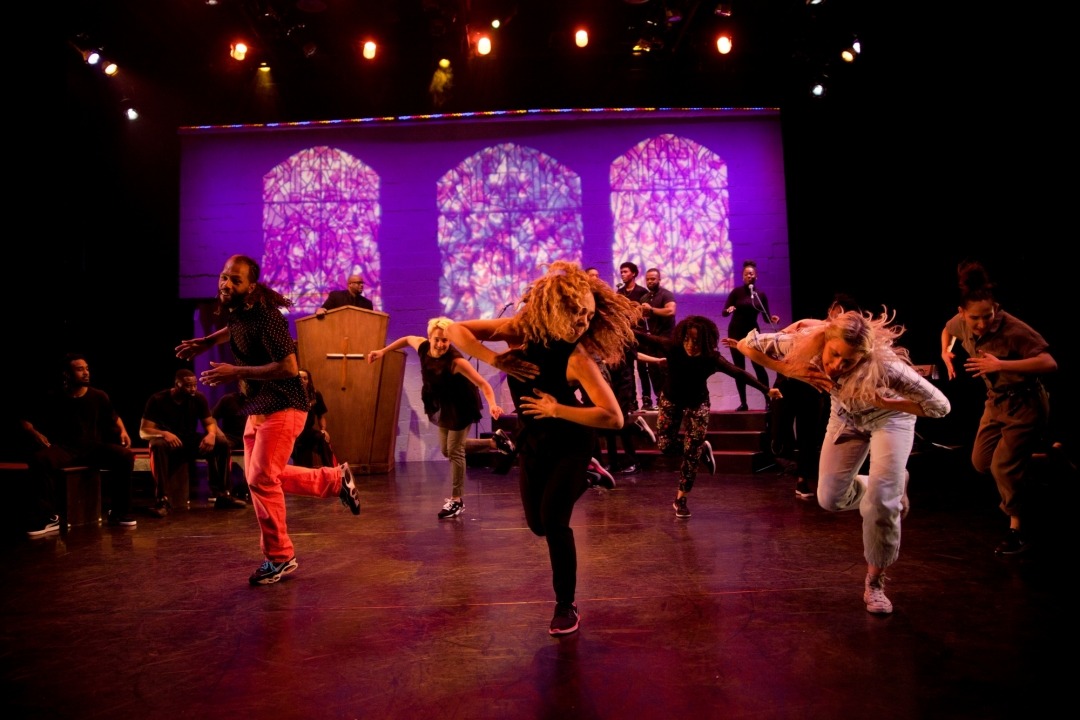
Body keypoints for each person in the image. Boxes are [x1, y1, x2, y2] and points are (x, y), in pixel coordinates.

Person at [447, 260, 639, 636]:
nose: (583, 321)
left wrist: (556, 408)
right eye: (576, 313)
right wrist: (495, 358)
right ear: (553, 309)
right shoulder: (519, 332)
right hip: (534, 441)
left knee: (554, 522)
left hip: (572, 441)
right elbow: (454, 328)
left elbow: (613, 418)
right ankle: (589, 477)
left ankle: (566, 605)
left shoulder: (578, 358)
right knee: (537, 525)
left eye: (589, 315)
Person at [738, 308, 951, 614]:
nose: (837, 366)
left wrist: (890, 402)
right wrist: (789, 370)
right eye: (835, 355)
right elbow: (748, 344)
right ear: (826, 340)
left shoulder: (887, 367)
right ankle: (890, 484)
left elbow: (940, 407)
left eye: (848, 362)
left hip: (890, 419)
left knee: (882, 504)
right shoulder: (805, 343)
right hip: (846, 419)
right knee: (829, 499)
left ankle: (875, 584)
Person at [176, 254, 363, 586]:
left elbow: (290, 368)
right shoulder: (239, 312)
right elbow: (233, 329)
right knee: (259, 477)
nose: (226, 283)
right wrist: (206, 341)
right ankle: (336, 480)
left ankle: (280, 557)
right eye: (223, 277)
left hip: (284, 405)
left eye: (235, 280)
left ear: (251, 286)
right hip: (259, 407)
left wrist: (237, 371)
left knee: (263, 480)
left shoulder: (268, 317)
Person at [941, 260, 1057, 556]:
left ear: (996, 310)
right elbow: (947, 330)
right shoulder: (960, 323)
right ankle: (1050, 460)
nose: (982, 324)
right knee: (981, 462)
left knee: (1001, 467)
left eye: (988, 316)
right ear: (963, 313)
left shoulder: (1015, 329)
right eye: (975, 318)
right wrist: (946, 352)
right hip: (995, 403)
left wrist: (1000, 364)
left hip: (1026, 403)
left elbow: (1049, 363)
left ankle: (1018, 529)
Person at [367, 317, 516, 519]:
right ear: (429, 338)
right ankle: (494, 442)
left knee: (455, 452)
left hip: (461, 406)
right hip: (441, 403)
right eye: (437, 339)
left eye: (445, 340)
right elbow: (407, 338)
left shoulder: (456, 362)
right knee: (447, 449)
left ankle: (457, 500)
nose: (441, 344)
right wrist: (382, 352)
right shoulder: (422, 346)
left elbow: (483, 384)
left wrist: (493, 405)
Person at [638, 316, 780, 518]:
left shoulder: (711, 358)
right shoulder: (672, 347)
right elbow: (644, 337)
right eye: (687, 339)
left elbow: (738, 372)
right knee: (665, 446)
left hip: (698, 403)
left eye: (696, 342)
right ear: (682, 337)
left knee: (691, 451)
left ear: (704, 342)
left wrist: (766, 390)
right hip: (671, 400)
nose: (690, 346)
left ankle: (681, 498)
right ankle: (702, 447)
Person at [19, 353, 137, 536]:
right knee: (39, 460)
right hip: (65, 448)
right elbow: (25, 421)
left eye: (87, 368)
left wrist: (123, 431)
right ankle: (48, 518)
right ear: (66, 374)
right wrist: (34, 432)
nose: (86, 373)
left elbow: (114, 416)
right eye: (80, 369)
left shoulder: (99, 396)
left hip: (92, 448)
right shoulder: (53, 396)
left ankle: (119, 513)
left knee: (125, 456)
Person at [766, 293, 861, 500]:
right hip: (787, 383)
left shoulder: (841, 341)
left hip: (812, 389)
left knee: (808, 437)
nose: (839, 316)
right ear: (833, 310)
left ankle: (802, 480)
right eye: (838, 311)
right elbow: (778, 339)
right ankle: (787, 458)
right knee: (778, 436)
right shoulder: (810, 324)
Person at [139, 369, 246, 514]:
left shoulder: (198, 398)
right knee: (156, 445)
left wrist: (211, 434)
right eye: (188, 386)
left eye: (195, 385)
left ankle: (223, 495)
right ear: (177, 384)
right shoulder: (158, 399)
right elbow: (144, 431)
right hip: (169, 442)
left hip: (190, 440)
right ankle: (162, 500)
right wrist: (163, 434)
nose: (193, 389)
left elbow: (209, 423)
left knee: (222, 443)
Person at [722, 260, 781, 411]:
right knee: (739, 368)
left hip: (753, 334)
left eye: (752, 274)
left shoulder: (760, 295)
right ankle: (743, 402)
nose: (750, 276)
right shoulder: (736, 293)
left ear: (756, 277)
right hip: (735, 332)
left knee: (758, 367)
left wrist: (772, 318)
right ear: (743, 277)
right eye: (747, 274)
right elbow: (724, 312)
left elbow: (766, 318)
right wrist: (729, 310)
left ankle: (768, 400)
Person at [636, 267, 677, 412]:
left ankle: (671, 401)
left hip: (666, 338)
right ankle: (660, 400)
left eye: (653, 278)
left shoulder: (666, 294)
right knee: (653, 370)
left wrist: (651, 309)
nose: (650, 281)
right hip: (652, 338)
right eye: (647, 279)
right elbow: (645, 316)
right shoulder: (645, 298)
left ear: (659, 279)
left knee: (666, 370)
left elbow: (671, 311)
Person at [616, 261, 651, 410]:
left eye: (625, 272)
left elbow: (645, 313)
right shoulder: (619, 293)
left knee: (643, 368)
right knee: (628, 368)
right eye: (621, 272)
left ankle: (647, 399)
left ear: (634, 273)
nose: (623, 274)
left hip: (639, 333)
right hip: (625, 334)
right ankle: (631, 400)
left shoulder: (642, 292)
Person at [291, 368, 336, 468]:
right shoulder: (290, 395)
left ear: (309, 380)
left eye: (305, 378)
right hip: (294, 434)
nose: (302, 380)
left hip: (308, 432)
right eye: (299, 378)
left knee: (323, 438)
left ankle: (331, 472)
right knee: (304, 465)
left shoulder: (315, 395)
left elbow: (321, 416)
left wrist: (323, 430)